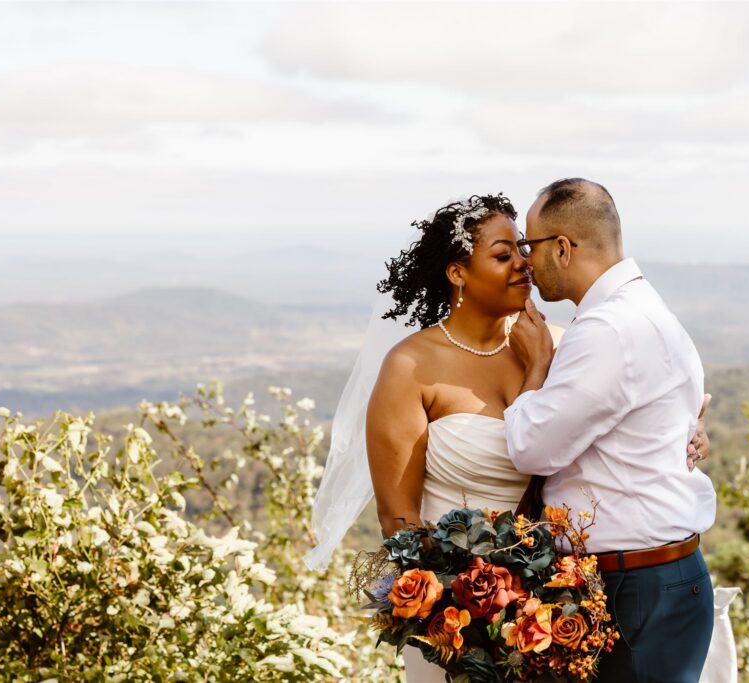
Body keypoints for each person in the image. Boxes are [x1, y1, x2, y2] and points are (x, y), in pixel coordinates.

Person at [304, 192, 711, 682]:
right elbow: (398, 518)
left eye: (523, 248)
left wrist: (688, 429)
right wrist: (454, 612)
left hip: (551, 616)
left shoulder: (563, 345)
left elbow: (633, 405)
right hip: (453, 621)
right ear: (457, 273)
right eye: (503, 256)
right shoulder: (410, 367)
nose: (524, 264)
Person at [505, 178, 717, 683]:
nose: (524, 262)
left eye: (528, 246)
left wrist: (536, 371)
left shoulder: (608, 330)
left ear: (562, 248)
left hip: (637, 586)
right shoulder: (638, 309)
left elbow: (532, 449)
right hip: (656, 577)